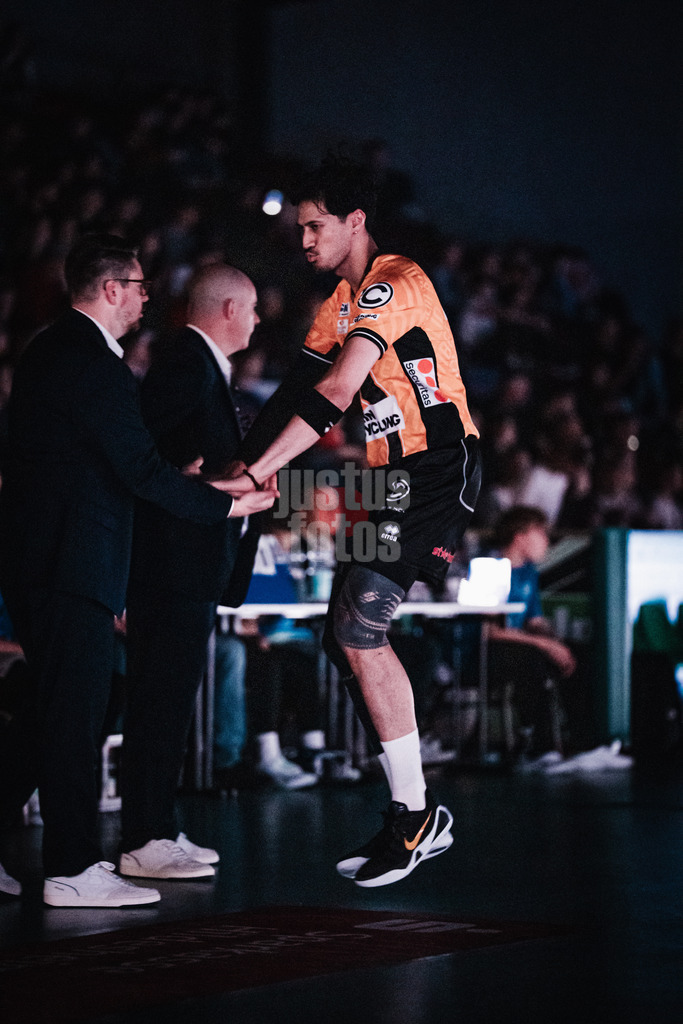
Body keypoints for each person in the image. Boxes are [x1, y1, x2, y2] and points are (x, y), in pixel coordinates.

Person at [0, 235, 276, 906]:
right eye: (141, 286)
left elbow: (108, 461)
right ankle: (70, 868)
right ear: (112, 289)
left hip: (56, 556)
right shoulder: (91, 362)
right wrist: (225, 499)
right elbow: (141, 468)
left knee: (50, 708)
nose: (150, 298)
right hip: (72, 561)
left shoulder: (52, 350)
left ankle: (63, 857)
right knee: (73, 713)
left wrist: (188, 484)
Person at [233, 153, 482, 887]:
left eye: (315, 225)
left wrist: (257, 474)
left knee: (357, 626)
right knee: (340, 635)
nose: (304, 239)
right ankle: (413, 814)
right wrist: (231, 461)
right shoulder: (333, 307)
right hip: (388, 483)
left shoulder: (392, 284)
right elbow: (293, 395)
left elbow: (338, 389)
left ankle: (414, 820)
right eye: (298, 227)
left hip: (436, 470)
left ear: (354, 222)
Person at [119, 264, 268, 880]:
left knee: (172, 700)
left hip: (185, 565)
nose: (259, 320)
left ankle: (159, 825)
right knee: (159, 700)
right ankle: (144, 836)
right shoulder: (186, 361)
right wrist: (211, 483)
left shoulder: (198, 364)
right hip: (169, 565)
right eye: (254, 308)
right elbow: (141, 450)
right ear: (230, 308)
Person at [487, 505, 577, 762]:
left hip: (521, 644)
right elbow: (491, 632)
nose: (547, 542)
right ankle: (538, 745)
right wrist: (546, 646)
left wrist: (555, 641)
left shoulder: (528, 573)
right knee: (532, 659)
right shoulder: (490, 568)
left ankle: (580, 742)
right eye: (542, 534)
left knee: (577, 652)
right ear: (520, 536)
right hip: (488, 653)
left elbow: (535, 621)